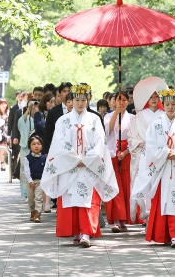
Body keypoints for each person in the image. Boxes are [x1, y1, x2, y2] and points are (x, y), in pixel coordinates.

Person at [40, 84, 118, 248]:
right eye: (77, 100)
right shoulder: (63, 120)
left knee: (87, 200)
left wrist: (87, 159)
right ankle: (76, 231)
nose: (80, 103)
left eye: (83, 100)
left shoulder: (94, 119)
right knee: (71, 199)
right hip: (69, 167)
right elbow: (59, 144)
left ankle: (86, 232)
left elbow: (99, 143)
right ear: (71, 101)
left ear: (88, 100)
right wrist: (76, 160)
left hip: (89, 166)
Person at [132, 88, 175, 248]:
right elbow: (150, 147)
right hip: (162, 170)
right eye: (167, 104)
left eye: (173, 104)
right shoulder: (155, 126)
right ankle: (163, 235)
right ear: (164, 105)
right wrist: (164, 153)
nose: (170, 107)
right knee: (163, 200)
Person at [104, 91, 144, 232]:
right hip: (112, 153)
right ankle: (116, 219)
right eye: (118, 100)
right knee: (115, 187)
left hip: (128, 153)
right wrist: (116, 113)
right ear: (114, 101)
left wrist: (126, 151)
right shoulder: (108, 116)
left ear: (128, 102)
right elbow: (108, 131)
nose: (121, 102)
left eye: (124, 100)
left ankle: (126, 217)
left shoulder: (133, 118)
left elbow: (135, 136)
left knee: (128, 185)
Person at [128, 76, 167, 222]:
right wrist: (140, 143)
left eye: (157, 96)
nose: (154, 99)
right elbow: (131, 137)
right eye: (151, 96)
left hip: (160, 155)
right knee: (144, 184)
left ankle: (157, 215)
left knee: (158, 185)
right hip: (143, 155)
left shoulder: (165, 116)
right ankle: (146, 212)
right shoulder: (139, 117)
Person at [18, 99, 40, 197]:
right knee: (25, 170)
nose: (34, 108)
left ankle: (37, 191)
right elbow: (21, 123)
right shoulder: (25, 118)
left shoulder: (39, 117)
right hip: (26, 148)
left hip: (37, 147)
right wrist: (28, 109)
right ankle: (26, 192)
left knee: (36, 169)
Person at [43, 82, 72, 155]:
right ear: (59, 94)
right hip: (57, 149)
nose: (66, 93)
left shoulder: (77, 110)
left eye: (68, 91)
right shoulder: (53, 111)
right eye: (64, 91)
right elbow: (48, 133)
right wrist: (47, 152)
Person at [24, 135, 46, 223]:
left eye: (38, 144)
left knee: (38, 197)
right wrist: (30, 181)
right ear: (29, 147)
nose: (36, 146)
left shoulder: (44, 158)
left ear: (42, 146)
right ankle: (32, 211)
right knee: (30, 198)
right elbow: (26, 171)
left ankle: (38, 214)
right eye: (33, 144)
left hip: (40, 181)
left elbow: (45, 171)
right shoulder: (27, 158)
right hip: (30, 181)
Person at [0, 98, 10, 171]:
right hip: (0, 132)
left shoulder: (8, 112)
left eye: (5, 103)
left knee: (6, 148)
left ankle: (6, 162)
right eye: (2, 104)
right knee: (2, 148)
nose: (4, 105)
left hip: (8, 132)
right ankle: (2, 163)